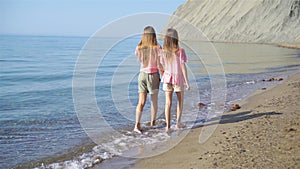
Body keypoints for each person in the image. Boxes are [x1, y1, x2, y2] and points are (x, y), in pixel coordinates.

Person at [134, 26, 163, 133]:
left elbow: (140, 59)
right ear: (153, 35)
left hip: (141, 75)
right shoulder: (157, 47)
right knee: (154, 101)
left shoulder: (139, 48)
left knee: (141, 102)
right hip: (153, 75)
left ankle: (137, 125)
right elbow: (159, 64)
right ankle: (152, 123)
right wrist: (163, 75)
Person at [161, 28, 190, 132]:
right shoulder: (180, 51)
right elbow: (183, 67)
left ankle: (168, 127)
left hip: (167, 78)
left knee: (168, 103)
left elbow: (162, 65)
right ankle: (178, 123)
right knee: (180, 101)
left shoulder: (163, 52)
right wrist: (187, 82)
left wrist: (164, 74)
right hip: (177, 79)